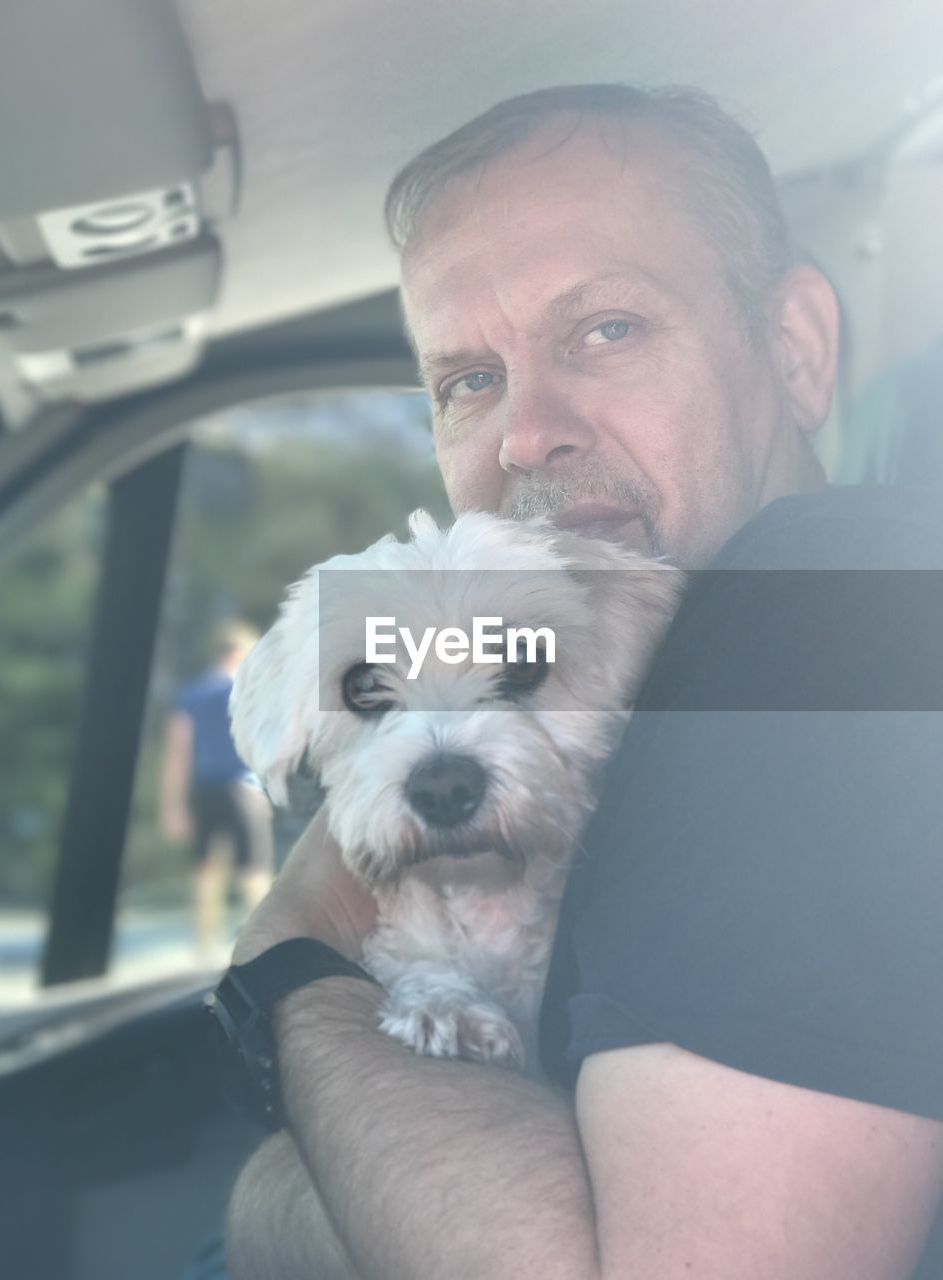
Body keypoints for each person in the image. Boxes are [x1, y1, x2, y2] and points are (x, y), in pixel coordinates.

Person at [225, 85, 943, 1278]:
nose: (525, 435)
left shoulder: (822, 615)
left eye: (606, 329)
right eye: (467, 380)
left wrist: (293, 967)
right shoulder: (670, 703)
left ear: (796, 350)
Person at [160, 619, 273, 960]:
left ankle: (204, 952)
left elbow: (177, 753)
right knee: (254, 871)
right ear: (240, 653)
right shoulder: (246, 691)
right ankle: (261, 951)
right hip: (242, 790)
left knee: (206, 873)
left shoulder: (191, 694)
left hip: (204, 790)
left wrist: (173, 807)